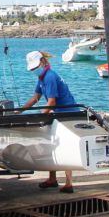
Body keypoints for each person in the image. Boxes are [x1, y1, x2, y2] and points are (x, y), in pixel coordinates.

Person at [21, 50, 78, 193]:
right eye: (32, 69)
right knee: (51, 145)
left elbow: (51, 102)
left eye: (35, 67)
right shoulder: (41, 78)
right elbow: (35, 98)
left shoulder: (50, 77)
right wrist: (19, 110)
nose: (34, 70)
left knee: (64, 147)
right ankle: (52, 178)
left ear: (42, 61)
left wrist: (39, 116)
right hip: (57, 113)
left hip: (67, 114)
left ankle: (69, 183)